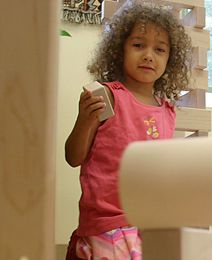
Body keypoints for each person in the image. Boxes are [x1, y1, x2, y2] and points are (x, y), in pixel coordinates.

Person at [64, 1, 192, 259]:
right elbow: (73, 157)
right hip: (109, 220)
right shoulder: (108, 96)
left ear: (170, 59)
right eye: (138, 45)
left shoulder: (167, 110)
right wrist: (84, 120)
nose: (148, 55)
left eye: (160, 49)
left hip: (149, 221)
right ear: (119, 50)